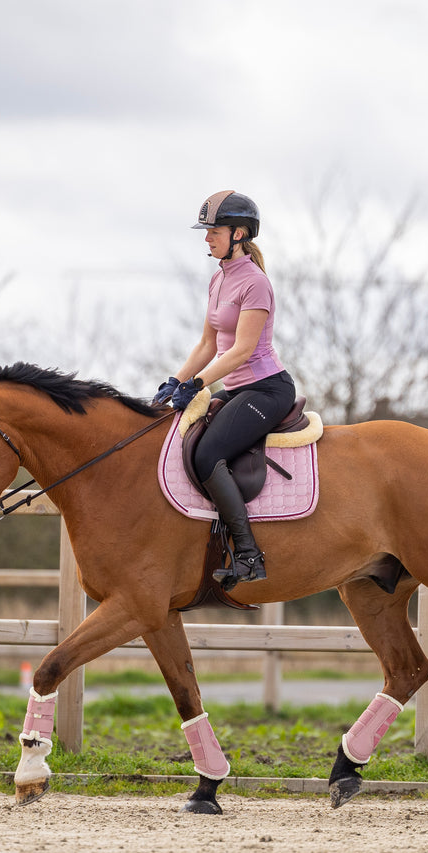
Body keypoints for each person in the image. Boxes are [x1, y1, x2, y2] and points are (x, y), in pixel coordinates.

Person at [153, 190, 296, 587]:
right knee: (183, 435)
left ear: (239, 233)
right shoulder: (219, 279)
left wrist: (198, 384)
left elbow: (242, 350)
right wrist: (174, 383)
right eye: (207, 231)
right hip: (237, 389)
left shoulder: (256, 284)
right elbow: (207, 345)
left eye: (214, 231)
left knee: (208, 453)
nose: (207, 238)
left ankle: (250, 555)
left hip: (267, 390)